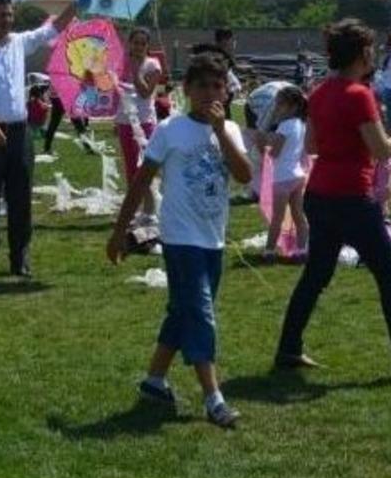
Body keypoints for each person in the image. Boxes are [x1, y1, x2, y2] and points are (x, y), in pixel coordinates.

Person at [274, 19, 391, 380]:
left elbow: (312, 145)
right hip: (352, 197)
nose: (374, 54)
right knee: (390, 273)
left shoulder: (318, 92)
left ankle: (288, 347)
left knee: (315, 275)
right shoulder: (359, 95)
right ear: (362, 53)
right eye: (371, 49)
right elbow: (382, 150)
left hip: (320, 194)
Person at [106, 53, 252, 428]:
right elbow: (141, 180)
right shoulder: (171, 129)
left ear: (227, 92)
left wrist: (221, 132)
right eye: (201, 86)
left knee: (183, 311)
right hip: (180, 238)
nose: (210, 93)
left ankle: (154, 380)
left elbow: (244, 175)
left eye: (217, 86)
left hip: (213, 239)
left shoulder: (230, 130)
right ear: (186, 89)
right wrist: (120, 231)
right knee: (201, 314)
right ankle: (214, 398)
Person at [0, 0, 82, 279]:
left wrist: (77, 4)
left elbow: (53, 28)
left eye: (10, 14)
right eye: (1, 15)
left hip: (19, 133)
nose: (7, 20)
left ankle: (20, 259)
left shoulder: (18, 42)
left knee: (21, 199)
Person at [256, 85, 310, 262]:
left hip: (282, 178)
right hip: (298, 175)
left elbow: (275, 153)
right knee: (298, 215)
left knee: (277, 218)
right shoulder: (302, 124)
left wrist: (265, 148)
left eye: (280, 104)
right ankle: (302, 250)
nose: (277, 108)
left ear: (293, 107)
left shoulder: (285, 126)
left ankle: (269, 251)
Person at [116, 28, 163, 225]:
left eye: (143, 43)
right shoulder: (120, 63)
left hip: (144, 122)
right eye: (135, 42)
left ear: (147, 46)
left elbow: (145, 93)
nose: (139, 47)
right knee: (130, 168)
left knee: (143, 168)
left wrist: (135, 71)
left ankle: (150, 210)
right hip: (124, 120)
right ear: (130, 43)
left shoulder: (153, 65)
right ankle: (134, 210)